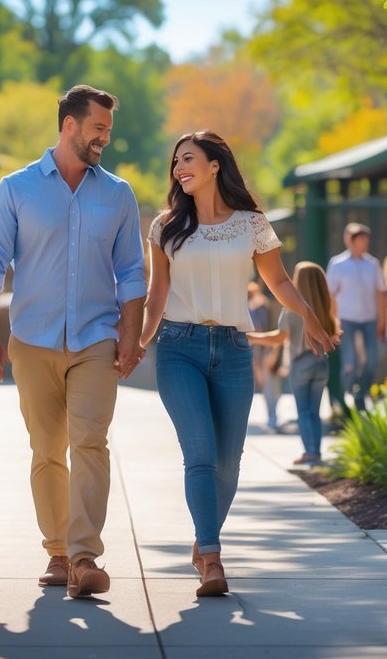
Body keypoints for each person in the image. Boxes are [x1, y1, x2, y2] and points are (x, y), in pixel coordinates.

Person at [140, 131, 336, 598]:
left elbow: (280, 281)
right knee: (201, 454)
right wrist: (136, 345)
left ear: (214, 166)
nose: (179, 168)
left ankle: (202, 538)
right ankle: (211, 557)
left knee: (229, 464)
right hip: (178, 347)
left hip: (232, 348)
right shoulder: (165, 226)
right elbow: (156, 294)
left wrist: (309, 319)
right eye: (175, 162)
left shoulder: (251, 224)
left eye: (188, 159)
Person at [0, 84, 146, 600]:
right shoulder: (16, 189)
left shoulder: (117, 194)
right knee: (47, 448)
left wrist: (131, 337)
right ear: (69, 125)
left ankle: (85, 555)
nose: (104, 140)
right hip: (32, 339)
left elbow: (132, 273)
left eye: (108, 132)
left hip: (96, 338)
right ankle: (56, 552)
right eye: (98, 129)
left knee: (89, 441)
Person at [248, 261, 339, 467]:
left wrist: (252, 337)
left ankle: (310, 452)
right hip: (321, 363)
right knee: (314, 410)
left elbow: (280, 337)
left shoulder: (292, 307)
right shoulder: (325, 307)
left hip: (301, 363)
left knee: (303, 411)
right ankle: (315, 450)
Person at [326, 223, 386, 411]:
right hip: (346, 319)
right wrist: (333, 321)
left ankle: (361, 393)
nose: (364, 243)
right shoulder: (338, 264)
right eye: (360, 240)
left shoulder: (373, 264)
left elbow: (381, 292)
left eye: (366, 240)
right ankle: (347, 396)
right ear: (350, 241)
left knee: (372, 359)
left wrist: (382, 320)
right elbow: (331, 294)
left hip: (369, 319)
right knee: (349, 361)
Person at [247, 281, 280, 431]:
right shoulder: (255, 307)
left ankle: (272, 417)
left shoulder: (262, 307)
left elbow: (272, 327)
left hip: (263, 346)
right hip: (258, 347)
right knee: (267, 385)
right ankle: (272, 417)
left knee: (268, 385)